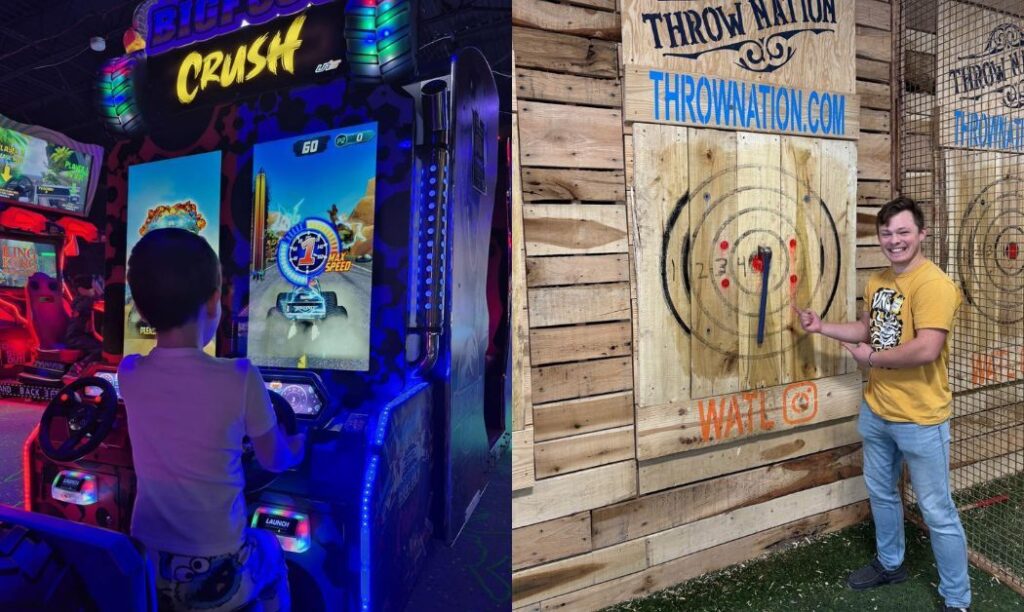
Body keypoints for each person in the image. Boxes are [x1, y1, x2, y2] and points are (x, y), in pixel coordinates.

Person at [793, 196, 970, 612]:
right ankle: (892, 564)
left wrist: (870, 358)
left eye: (903, 231)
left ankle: (958, 600)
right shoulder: (879, 281)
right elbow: (871, 328)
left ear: (921, 234)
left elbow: (926, 348)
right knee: (881, 492)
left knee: (937, 511)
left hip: (921, 419)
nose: (895, 240)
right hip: (878, 410)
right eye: (887, 233)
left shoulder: (934, 285)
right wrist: (823, 328)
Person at [118, 228, 305, 611]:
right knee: (269, 547)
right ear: (214, 303)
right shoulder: (239, 377)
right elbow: (273, 460)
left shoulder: (129, 373)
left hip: (148, 563)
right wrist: (298, 448)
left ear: (139, 308)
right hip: (219, 567)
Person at [64, 274, 103, 374]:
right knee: (100, 349)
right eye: (91, 287)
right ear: (81, 289)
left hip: (83, 336)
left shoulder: (88, 301)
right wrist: (98, 294)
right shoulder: (82, 302)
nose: (93, 290)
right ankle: (78, 368)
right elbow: (90, 305)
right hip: (74, 338)